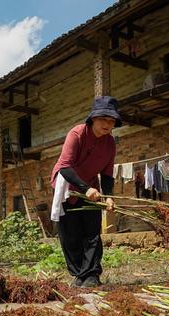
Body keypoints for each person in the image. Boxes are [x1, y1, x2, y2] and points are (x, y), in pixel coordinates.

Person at [50, 96, 122, 287]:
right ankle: (78, 275)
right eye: (104, 119)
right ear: (93, 118)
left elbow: (107, 174)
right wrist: (85, 188)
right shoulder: (77, 133)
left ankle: (91, 275)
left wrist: (108, 197)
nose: (108, 124)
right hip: (68, 188)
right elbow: (65, 167)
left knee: (91, 233)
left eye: (112, 121)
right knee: (70, 234)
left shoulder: (110, 143)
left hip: (92, 191)